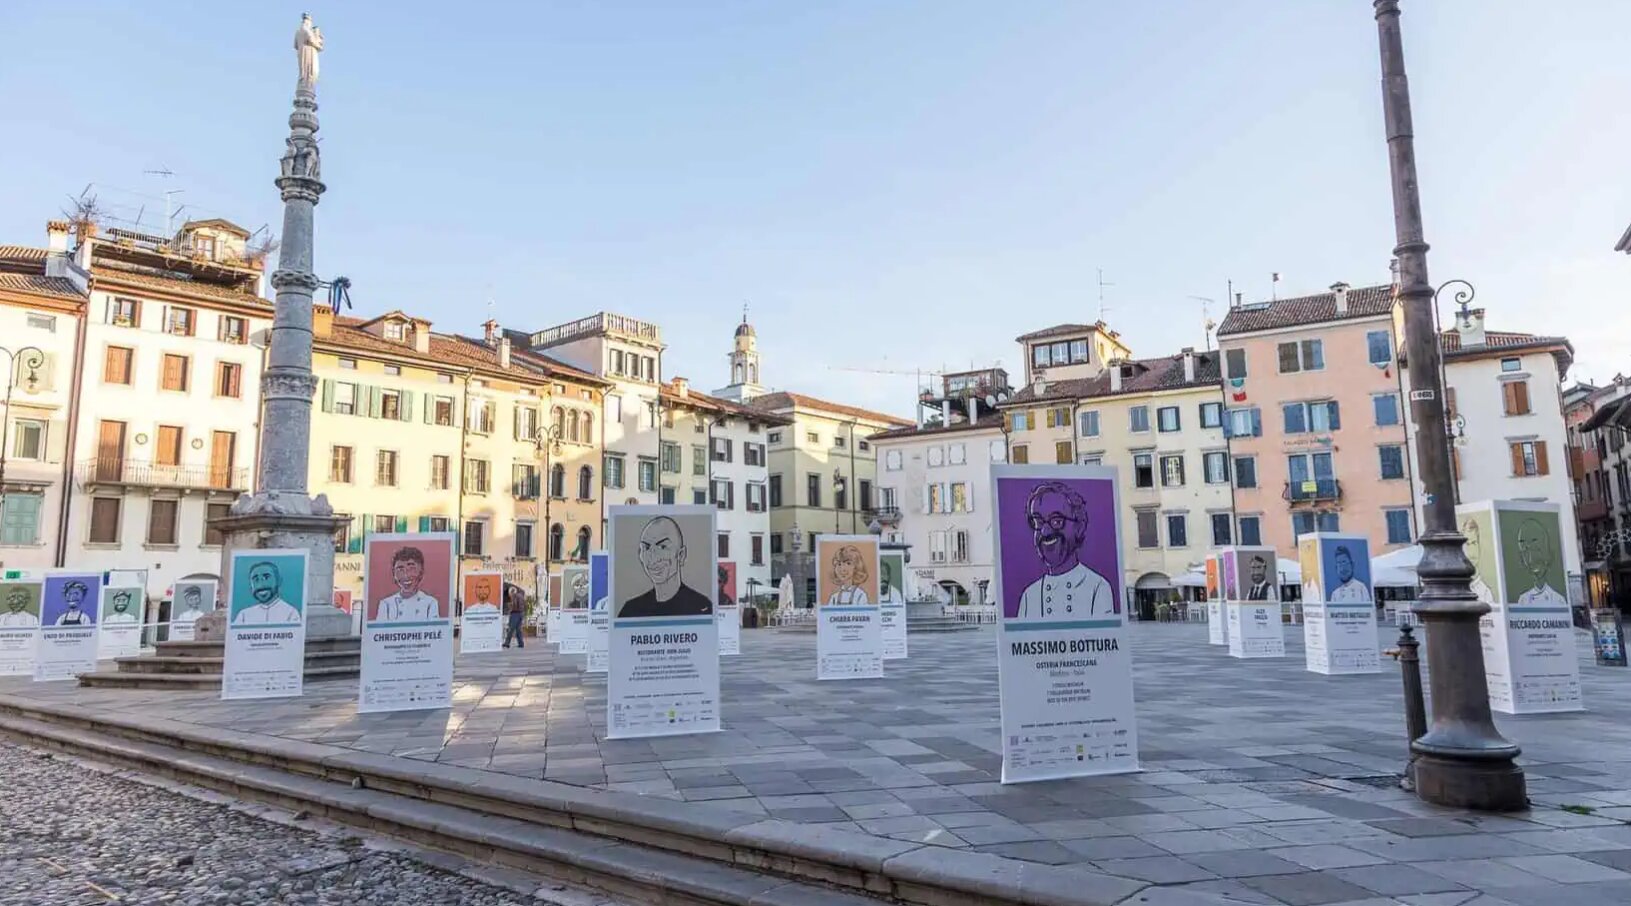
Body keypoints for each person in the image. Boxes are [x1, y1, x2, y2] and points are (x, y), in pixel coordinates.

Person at [1016, 481, 1112, 619]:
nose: (1045, 531)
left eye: (1056, 521)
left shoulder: (1098, 588)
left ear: (1079, 526)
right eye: (1038, 522)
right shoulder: (1029, 596)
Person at [619, 516, 713, 617]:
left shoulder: (701, 608)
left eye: (663, 547)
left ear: (681, 555)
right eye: (646, 548)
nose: (653, 557)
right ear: (640, 555)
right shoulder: (630, 611)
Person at [377, 546, 440, 622]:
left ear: (421, 572)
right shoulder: (386, 604)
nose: (406, 576)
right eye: (400, 569)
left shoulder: (430, 603)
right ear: (394, 573)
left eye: (411, 569)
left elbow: (433, 631)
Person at [1515, 518, 1567, 607]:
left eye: (1536, 550)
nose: (1531, 559)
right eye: (1526, 552)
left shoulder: (1558, 600)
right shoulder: (1523, 600)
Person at [232, 561, 302, 625]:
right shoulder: (244, 615)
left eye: (266, 577)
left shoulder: (291, 613)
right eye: (256, 579)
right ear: (251, 586)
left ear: (279, 581)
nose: (261, 585)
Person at [1461, 518, 1496, 604]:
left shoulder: (1486, 593)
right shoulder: (1454, 588)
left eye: (1474, 543)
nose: (1472, 551)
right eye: (1468, 544)